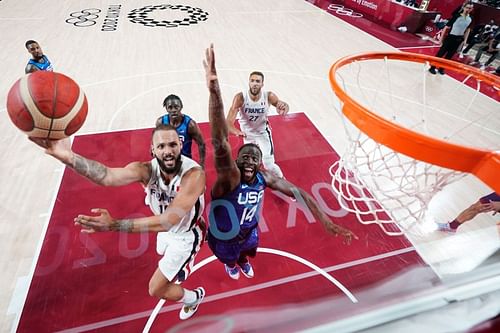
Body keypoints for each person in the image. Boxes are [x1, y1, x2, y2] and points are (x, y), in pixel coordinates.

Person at [203, 44, 358, 280]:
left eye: (253, 159)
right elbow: (219, 136)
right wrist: (214, 92)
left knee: (272, 171)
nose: (249, 162)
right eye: (245, 157)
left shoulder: (262, 175)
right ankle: (231, 264)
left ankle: (242, 260)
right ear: (235, 160)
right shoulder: (230, 177)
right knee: (229, 257)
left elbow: (299, 192)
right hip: (225, 235)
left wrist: (325, 222)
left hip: (249, 231)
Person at [31, 124, 207, 320]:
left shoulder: (194, 175)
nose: (167, 151)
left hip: (185, 236)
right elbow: (107, 176)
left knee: (156, 289)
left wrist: (113, 225)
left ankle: (194, 297)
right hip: (164, 229)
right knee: (160, 245)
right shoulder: (145, 169)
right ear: (152, 149)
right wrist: (69, 158)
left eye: (173, 144)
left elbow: (168, 221)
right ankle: (175, 261)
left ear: (181, 144)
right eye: (161, 146)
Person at [226, 71, 289, 178]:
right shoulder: (240, 97)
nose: (255, 83)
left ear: (262, 84)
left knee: (269, 165)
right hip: (247, 135)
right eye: (252, 81)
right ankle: (249, 184)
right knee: (248, 164)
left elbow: (283, 105)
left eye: (258, 81)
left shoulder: (268, 96)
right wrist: (236, 131)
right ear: (249, 82)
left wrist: (284, 108)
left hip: (263, 133)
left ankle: (283, 180)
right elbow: (228, 122)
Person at [156, 94, 206, 168]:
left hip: (185, 162)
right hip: (167, 161)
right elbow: (157, 142)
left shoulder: (190, 125)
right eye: (170, 107)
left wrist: (202, 164)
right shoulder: (161, 122)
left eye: (176, 107)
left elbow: (201, 144)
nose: (173, 110)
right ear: (166, 108)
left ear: (181, 107)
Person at [429, 2, 474, 75]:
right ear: (463, 7)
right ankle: (432, 67)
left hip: (458, 39)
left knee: (449, 55)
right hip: (450, 37)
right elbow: (446, 27)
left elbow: (468, 29)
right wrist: (440, 40)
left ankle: (441, 68)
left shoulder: (470, 18)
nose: (468, 9)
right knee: (441, 53)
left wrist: (465, 40)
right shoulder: (457, 16)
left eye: (470, 8)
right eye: (467, 7)